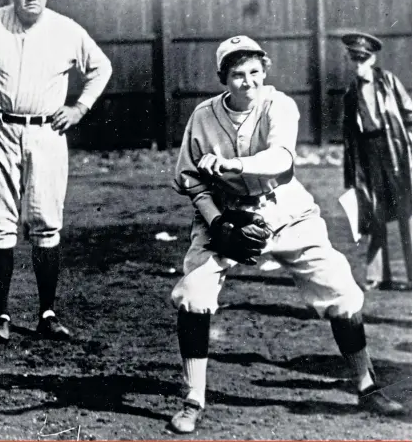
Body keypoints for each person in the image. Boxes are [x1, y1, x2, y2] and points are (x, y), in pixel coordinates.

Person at [169, 35, 404, 433]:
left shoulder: (280, 104)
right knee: (193, 296)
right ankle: (193, 399)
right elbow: (189, 179)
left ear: (266, 70)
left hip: (287, 210)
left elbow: (280, 158)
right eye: (238, 74)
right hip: (227, 213)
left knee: (343, 291)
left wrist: (231, 166)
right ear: (223, 77)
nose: (249, 81)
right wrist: (215, 222)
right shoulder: (203, 116)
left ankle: (367, 387)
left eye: (255, 72)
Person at [0, 0, 112, 342]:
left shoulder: (66, 30)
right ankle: (1, 315)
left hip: (46, 132)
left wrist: (79, 108)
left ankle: (47, 313)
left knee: (45, 221)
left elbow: (100, 68)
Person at [341, 32, 412, 292]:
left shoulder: (388, 83)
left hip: (396, 153)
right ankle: (378, 276)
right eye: (354, 59)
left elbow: (409, 114)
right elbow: (348, 137)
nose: (359, 64)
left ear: (372, 59)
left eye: (363, 59)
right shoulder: (351, 93)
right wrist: (350, 174)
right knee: (374, 211)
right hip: (367, 156)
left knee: (408, 212)